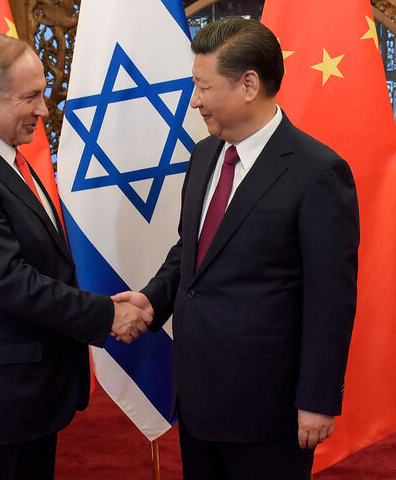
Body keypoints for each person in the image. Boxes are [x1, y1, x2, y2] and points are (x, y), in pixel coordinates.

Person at [113, 17, 359, 480]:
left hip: (269, 409)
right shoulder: (205, 155)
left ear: (249, 84)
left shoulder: (318, 172)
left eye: (203, 87)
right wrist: (151, 299)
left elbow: (332, 300)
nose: (195, 101)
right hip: (198, 397)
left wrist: (318, 400)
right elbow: (191, 252)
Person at [0, 32, 151, 480]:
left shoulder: (0, 158)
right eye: (33, 97)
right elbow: (10, 281)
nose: (44, 110)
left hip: (22, 394)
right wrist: (107, 315)